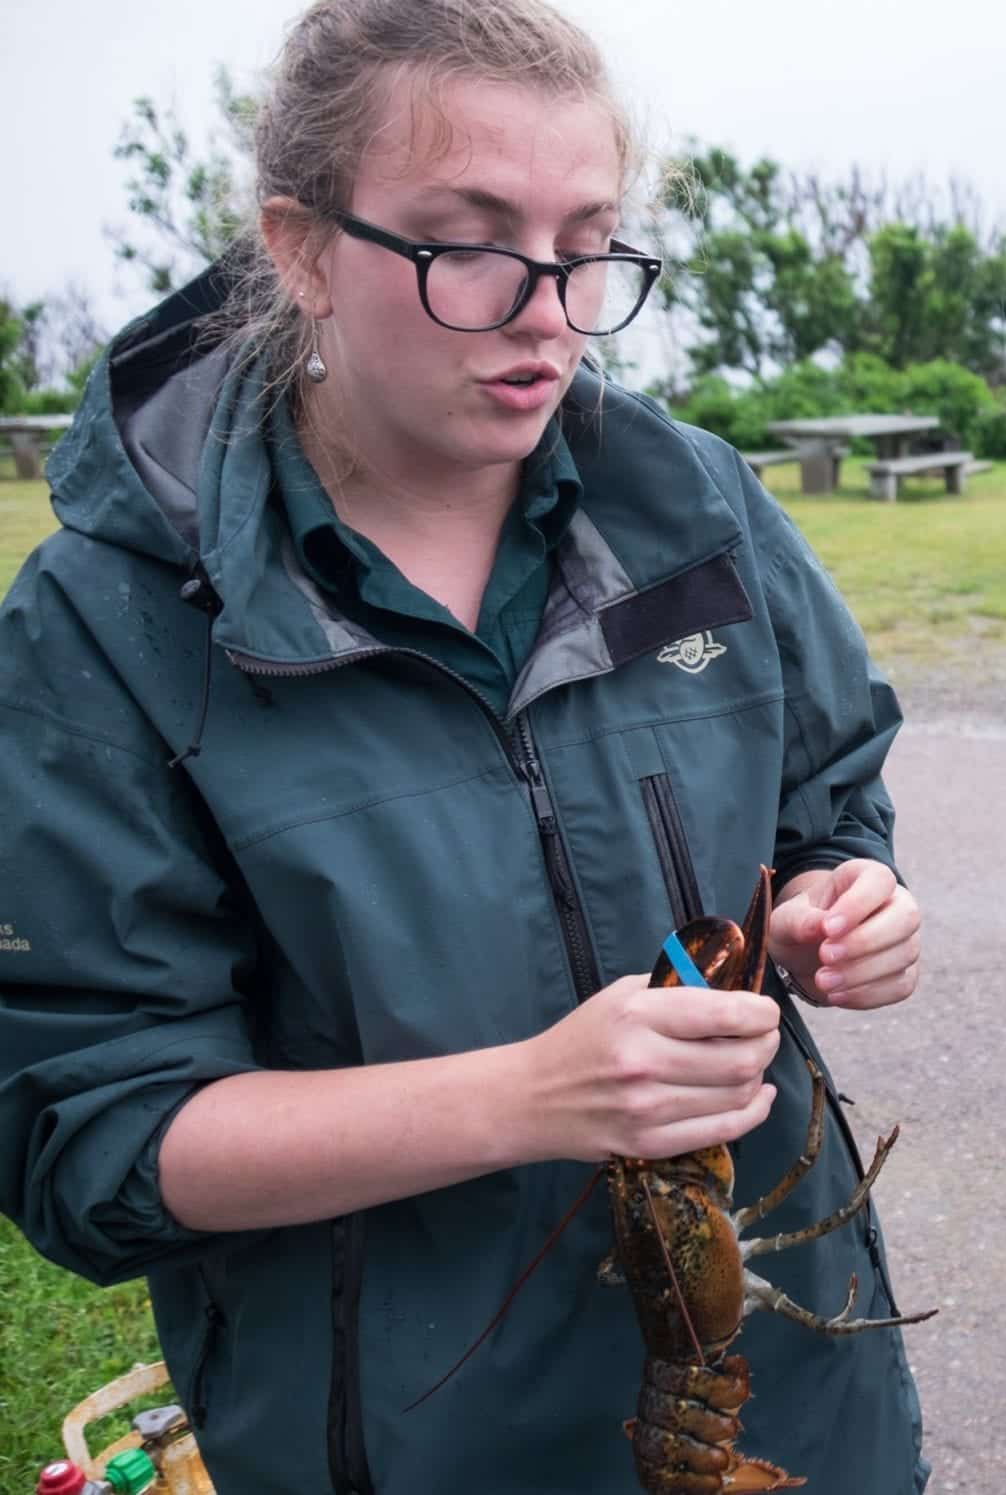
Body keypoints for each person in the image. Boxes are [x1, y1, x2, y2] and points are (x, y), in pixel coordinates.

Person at [0, 3, 927, 1491]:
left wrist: (843, 901)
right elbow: (90, 1142)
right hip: (414, 1439)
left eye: (588, 245)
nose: (549, 308)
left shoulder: (693, 507)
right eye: (472, 244)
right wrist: (524, 1098)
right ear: (299, 244)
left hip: (791, 1399)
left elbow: (827, 804)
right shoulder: (105, 622)